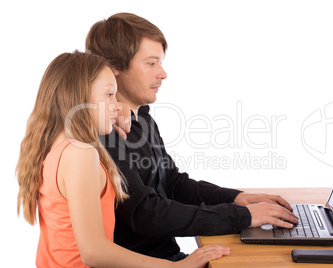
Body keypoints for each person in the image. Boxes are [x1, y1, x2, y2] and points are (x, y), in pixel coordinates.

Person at [86, 13, 298, 261]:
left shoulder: (142, 118)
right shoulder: (107, 132)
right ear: (115, 69)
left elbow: (173, 183)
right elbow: (146, 214)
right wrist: (242, 216)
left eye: (161, 63)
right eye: (151, 63)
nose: (163, 74)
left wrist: (236, 199)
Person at [16, 51, 230, 267]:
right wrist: (176, 267)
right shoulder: (81, 154)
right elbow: (93, 252)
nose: (117, 104)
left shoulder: (55, 147)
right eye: (110, 95)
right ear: (79, 96)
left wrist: (112, 110)